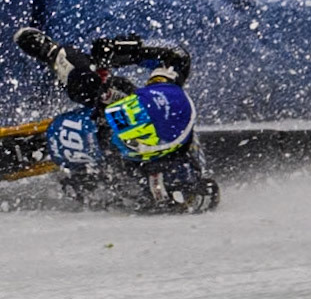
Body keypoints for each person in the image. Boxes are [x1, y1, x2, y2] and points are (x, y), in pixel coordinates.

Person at [13, 28, 219, 214]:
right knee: (89, 82)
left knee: (105, 188)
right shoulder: (163, 83)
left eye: (125, 138)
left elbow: (206, 196)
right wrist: (122, 48)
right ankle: (52, 52)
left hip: (117, 167)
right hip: (119, 111)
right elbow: (177, 54)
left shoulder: (175, 174)